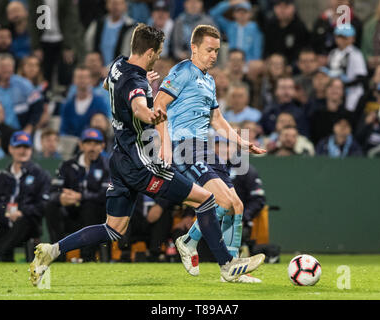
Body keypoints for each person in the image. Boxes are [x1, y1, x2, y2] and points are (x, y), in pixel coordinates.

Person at [29, 24, 265, 286]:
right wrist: (150, 113)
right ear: (151, 52)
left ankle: (53, 250)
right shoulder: (138, 82)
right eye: (159, 52)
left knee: (113, 229)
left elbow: (109, 83)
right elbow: (140, 105)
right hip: (141, 164)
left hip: (119, 158)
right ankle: (226, 264)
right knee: (206, 200)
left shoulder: (118, 66)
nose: (160, 56)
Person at [154, 24, 266, 283]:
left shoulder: (209, 80)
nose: (214, 55)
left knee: (236, 205)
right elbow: (159, 104)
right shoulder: (182, 71)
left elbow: (216, 118)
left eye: (217, 50)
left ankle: (227, 266)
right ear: (194, 48)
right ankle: (221, 261)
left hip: (205, 148)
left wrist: (240, 142)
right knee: (224, 203)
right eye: (209, 50)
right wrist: (166, 144)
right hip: (185, 147)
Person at [0, 131, 51, 262]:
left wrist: (22, 212)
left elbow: (44, 204)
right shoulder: (2, 176)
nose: (22, 151)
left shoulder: (41, 175)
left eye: (26, 147)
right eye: (19, 147)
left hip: (26, 227)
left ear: (31, 150)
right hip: (2, 224)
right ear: (10, 149)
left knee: (25, 220)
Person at [44, 128, 109, 262]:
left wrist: (80, 197)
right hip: (71, 213)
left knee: (90, 205)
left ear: (102, 146)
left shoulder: (107, 166)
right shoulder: (67, 165)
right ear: (81, 145)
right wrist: (61, 198)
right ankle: (57, 255)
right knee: (51, 206)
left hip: (97, 217)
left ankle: (87, 257)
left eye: (96, 143)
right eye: (88, 143)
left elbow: (104, 194)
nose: (92, 147)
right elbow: (53, 190)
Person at [0, 54, 44, 133]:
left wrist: (30, 127)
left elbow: (37, 107)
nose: (6, 69)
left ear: (13, 68)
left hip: (21, 131)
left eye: (8, 66)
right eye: (2, 66)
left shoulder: (25, 84)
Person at [59, 66, 111, 138]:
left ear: (90, 79)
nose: (82, 80)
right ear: (74, 80)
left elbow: (105, 127)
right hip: (72, 145)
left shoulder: (100, 102)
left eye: (85, 77)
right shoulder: (67, 105)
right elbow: (63, 130)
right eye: (79, 77)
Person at [328, 24, 367, 112]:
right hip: (335, 89)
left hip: (351, 92)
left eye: (345, 37)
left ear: (352, 39)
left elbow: (361, 77)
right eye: (339, 37)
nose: (341, 40)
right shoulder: (333, 53)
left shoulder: (356, 54)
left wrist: (343, 85)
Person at [84, 0, 136, 67]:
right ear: (106, 5)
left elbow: (127, 54)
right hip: (97, 70)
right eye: (113, 3)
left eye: (119, 4)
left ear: (125, 6)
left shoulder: (131, 27)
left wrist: (109, 69)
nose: (116, 7)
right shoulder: (98, 24)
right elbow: (89, 46)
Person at [260, 0, 310, 66]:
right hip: (272, 63)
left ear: (293, 8)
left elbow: (301, 52)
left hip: (292, 65)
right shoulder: (270, 25)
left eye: (286, 7)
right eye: (279, 6)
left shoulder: (300, 27)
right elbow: (266, 49)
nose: (282, 10)